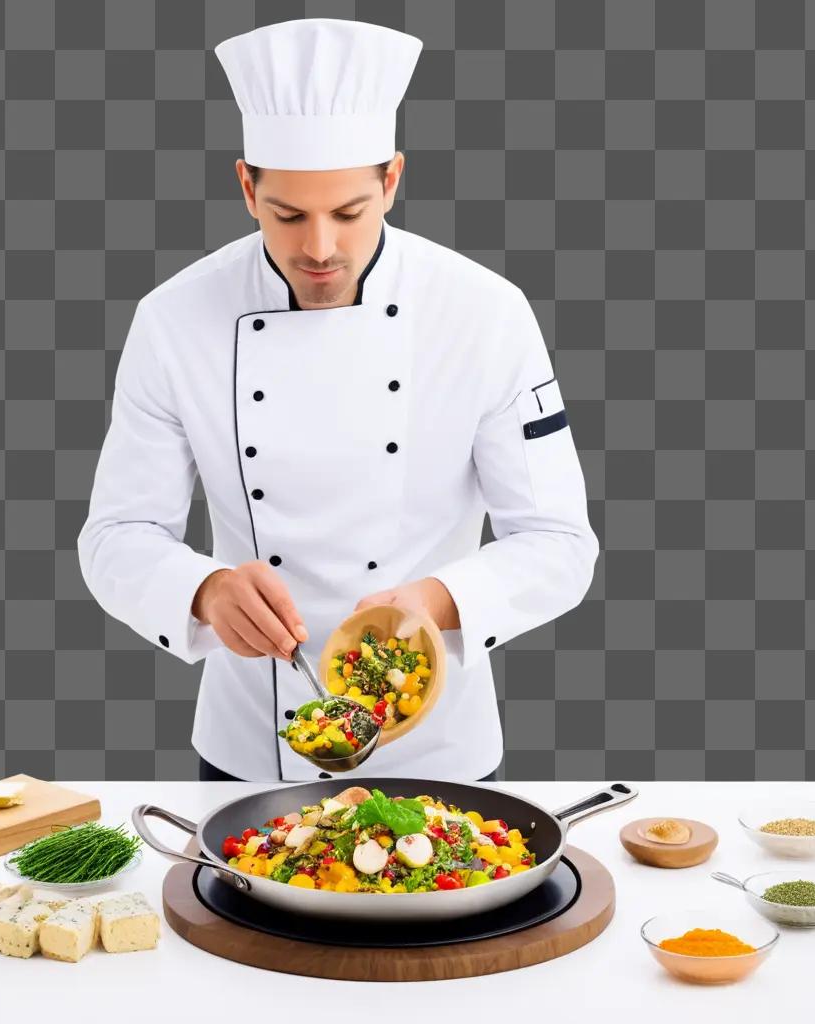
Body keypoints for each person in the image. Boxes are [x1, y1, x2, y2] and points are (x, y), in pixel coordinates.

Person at [78, 18, 598, 783]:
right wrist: (203, 588)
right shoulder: (173, 319)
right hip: (251, 744)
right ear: (247, 186)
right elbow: (114, 535)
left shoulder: (485, 312)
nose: (320, 247)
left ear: (391, 180)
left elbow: (560, 543)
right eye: (288, 214)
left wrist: (435, 601)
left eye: (350, 212)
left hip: (437, 747)